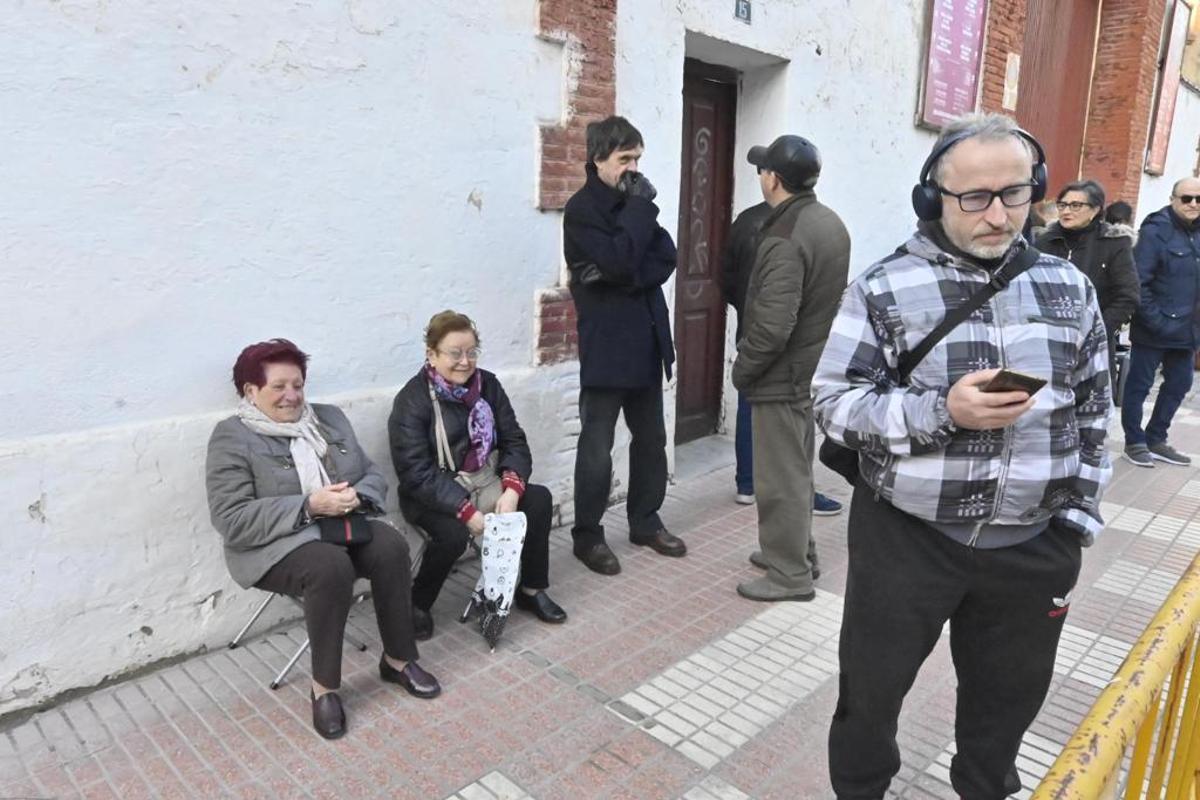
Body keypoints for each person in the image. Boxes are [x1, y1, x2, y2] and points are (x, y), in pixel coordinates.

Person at [814, 113, 1111, 799]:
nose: (997, 213)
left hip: (1035, 546)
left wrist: (1077, 521)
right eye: (973, 197)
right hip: (907, 539)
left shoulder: (1070, 289)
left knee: (1005, 709)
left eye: (1014, 192)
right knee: (869, 699)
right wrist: (940, 411)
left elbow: (1096, 410)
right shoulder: (883, 288)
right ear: (933, 200)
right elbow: (832, 402)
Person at [206, 339, 440, 741]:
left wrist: (358, 496)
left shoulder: (328, 419)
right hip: (275, 545)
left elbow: (371, 473)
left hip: (343, 525)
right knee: (330, 567)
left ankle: (398, 660)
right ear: (250, 390)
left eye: (297, 385)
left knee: (391, 546)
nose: (291, 395)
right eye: (278, 386)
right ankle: (325, 689)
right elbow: (233, 519)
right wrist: (310, 505)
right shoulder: (233, 437)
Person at [388, 311, 566, 640]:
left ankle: (530, 590)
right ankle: (418, 603)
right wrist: (464, 510)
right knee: (453, 534)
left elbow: (514, 439)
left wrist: (511, 488)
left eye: (471, 352)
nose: (465, 361)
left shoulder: (489, 386)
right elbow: (415, 473)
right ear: (432, 354)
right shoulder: (412, 402)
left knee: (537, 500)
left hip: (485, 479)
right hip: (432, 492)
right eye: (455, 353)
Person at [563, 115, 686, 575]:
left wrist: (619, 273)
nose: (633, 168)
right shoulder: (582, 210)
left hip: (647, 340)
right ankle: (588, 536)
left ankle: (645, 520)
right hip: (607, 345)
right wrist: (622, 254)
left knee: (652, 439)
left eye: (637, 158)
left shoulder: (634, 202)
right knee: (597, 445)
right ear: (598, 160)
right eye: (624, 159)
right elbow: (617, 256)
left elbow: (665, 256)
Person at [731, 135, 850, 602]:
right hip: (809, 368)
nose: (760, 176)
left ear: (773, 179)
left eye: (763, 169)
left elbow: (773, 325)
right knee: (797, 470)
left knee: (779, 480)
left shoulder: (784, 237)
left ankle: (788, 575)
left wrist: (744, 371)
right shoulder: (828, 222)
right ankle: (796, 553)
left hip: (781, 375)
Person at [719, 200, 844, 517]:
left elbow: (727, 278)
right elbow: (730, 277)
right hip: (780, 343)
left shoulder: (758, 221)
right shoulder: (795, 227)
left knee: (759, 410)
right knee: (786, 430)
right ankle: (784, 498)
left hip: (760, 333)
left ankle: (748, 484)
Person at [1121, 177, 1200, 467]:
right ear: (1173, 199)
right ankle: (1134, 441)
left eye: (1198, 199)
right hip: (1154, 328)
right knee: (1139, 386)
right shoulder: (1156, 231)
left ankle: (1156, 438)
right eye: (1186, 198)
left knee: (1180, 384)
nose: (1193, 204)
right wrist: (1156, 321)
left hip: (1188, 331)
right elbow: (1139, 281)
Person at [1035, 179, 1139, 390]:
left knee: (1088, 405)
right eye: (1062, 205)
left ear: (1095, 210)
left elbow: (1128, 295)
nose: (1066, 211)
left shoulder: (1114, 243)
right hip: (1046, 339)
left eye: (1076, 205)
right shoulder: (1044, 242)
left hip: (1093, 344)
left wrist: (1097, 332)